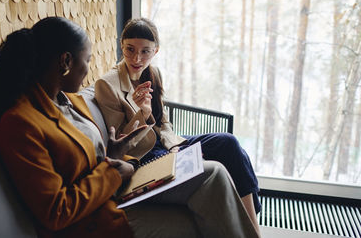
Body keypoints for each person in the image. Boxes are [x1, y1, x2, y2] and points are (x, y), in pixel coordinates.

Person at [0, 16, 260, 238]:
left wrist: (115, 150)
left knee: (214, 172)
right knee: (203, 204)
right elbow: (55, 212)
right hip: (92, 218)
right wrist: (113, 170)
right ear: (65, 62)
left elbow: (89, 155)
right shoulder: (20, 123)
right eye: (86, 60)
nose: (89, 69)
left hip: (116, 185)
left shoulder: (68, 102)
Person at [95, 17, 262, 232]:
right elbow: (120, 144)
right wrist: (141, 114)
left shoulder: (153, 74)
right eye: (130, 49)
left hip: (163, 146)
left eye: (145, 51)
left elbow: (164, 121)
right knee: (215, 165)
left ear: (155, 51)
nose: (137, 57)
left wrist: (172, 145)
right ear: (121, 45)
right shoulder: (107, 85)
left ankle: (253, 228)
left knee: (228, 144)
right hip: (141, 157)